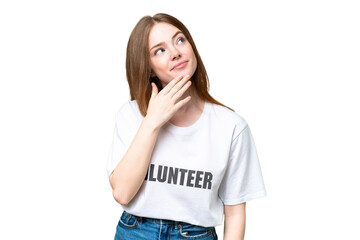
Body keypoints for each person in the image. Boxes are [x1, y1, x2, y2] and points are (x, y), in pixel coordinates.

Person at [106, 13, 266, 240]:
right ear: (149, 67)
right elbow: (122, 193)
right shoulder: (131, 115)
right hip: (136, 232)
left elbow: (235, 212)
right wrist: (152, 122)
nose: (175, 53)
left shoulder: (231, 127)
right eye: (159, 50)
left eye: (180, 40)